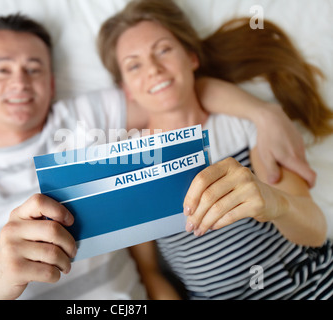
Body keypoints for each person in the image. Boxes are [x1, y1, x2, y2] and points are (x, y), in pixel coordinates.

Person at [0, 12, 316, 300]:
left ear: (51, 82)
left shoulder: (86, 117)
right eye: (1, 69)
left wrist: (264, 112)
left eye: (33, 68)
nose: (20, 81)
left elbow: (171, 90)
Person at [97, 0, 333, 299]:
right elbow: (149, 272)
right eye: (134, 64)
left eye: (164, 50)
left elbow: (314, 230)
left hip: (313, 285)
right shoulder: (129, 162)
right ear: (126, 89)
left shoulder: (240, 124)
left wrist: (274, 202)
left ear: (192, 58)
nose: (154, 69)